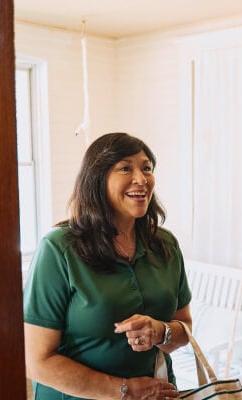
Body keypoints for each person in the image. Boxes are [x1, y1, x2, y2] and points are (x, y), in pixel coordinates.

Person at [24, 132, 192, 400]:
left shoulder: (165, 245)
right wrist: (125, 390)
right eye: (125, 168)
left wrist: (162, 331)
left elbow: (185, 328)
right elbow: (38, 362)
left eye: (146, 168)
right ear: (97, 180)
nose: (141, 179)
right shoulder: (58, 249)